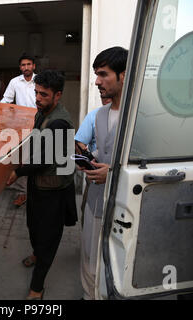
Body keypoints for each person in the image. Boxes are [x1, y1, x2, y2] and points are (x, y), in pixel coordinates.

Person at [6, 70, 77, 300]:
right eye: (36, 92)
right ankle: (37, 253)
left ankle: (37, 287)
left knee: (48, 236)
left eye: (43, 94)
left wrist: (16, 172)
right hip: (39, 183)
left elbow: (44, 159)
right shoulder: (42, 112)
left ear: (58, 95)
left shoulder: (58, 122)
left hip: (54, 188)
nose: (37, 98)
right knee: (33, 226)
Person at [79, 46, 128, 300]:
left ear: (124, 74)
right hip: (95, 201)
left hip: (124, 209)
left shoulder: (138, 117)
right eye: (96, 74)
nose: (97, 81)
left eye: (103, 74)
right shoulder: (99, 115)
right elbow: (103, 152)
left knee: (117, 263)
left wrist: (114, 173)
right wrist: (88, 160)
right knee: (89, 254)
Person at [1, 54, 37, 207]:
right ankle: (23, 193)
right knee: (22, 159)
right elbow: (6, 101)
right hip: (21, 126)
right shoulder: (14, 82)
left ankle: (36, 192)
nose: (26, 67)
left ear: (34, 66)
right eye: (23, 65)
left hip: (40, 123)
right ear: (20, 67)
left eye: (29, 64)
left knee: (39, 157)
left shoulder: (40, 80)